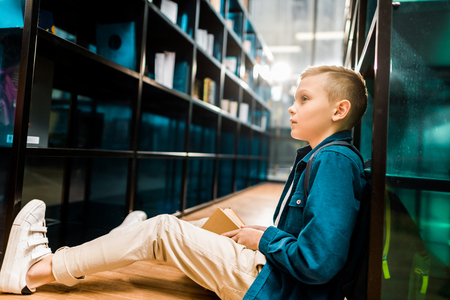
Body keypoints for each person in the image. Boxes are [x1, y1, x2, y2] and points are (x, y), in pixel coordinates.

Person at [0, 65, 368, 299]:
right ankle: (123, 236)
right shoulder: (323, 157)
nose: (291, 108)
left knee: (162, 231)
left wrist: (264, 239)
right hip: (276, 277)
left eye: (304, 99)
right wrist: (263, 233)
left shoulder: (333, 160)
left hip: (275, 287)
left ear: (339, 111)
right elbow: (313, 242)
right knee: (181, 228)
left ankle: (36, 271)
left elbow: (318, 262)